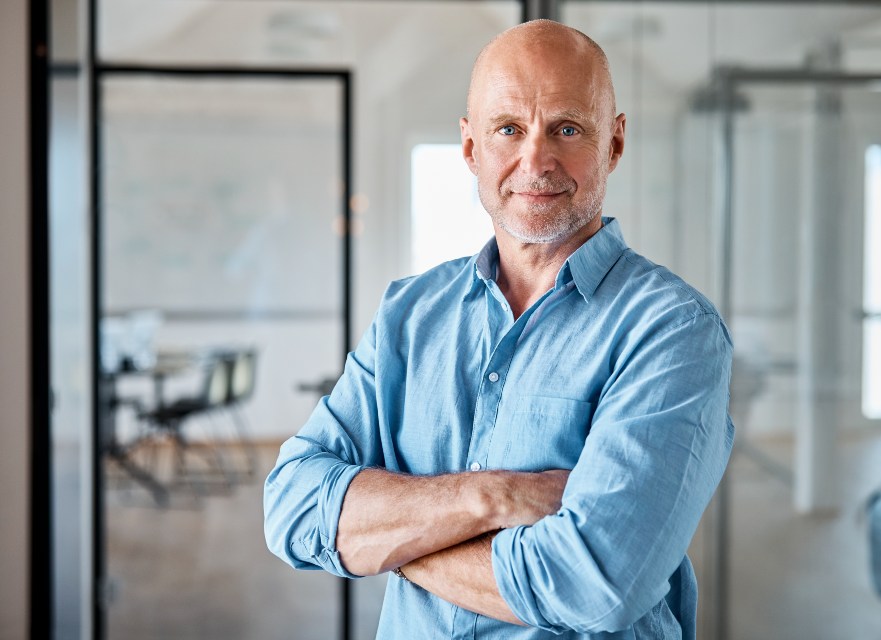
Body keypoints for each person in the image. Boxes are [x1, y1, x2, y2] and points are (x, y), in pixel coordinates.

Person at [264, 19, 734, 639]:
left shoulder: (673, 331)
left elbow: (593, 585)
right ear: (470, 148)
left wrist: (392, 539)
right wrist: (489, 498)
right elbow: (292, 507)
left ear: (614, 144)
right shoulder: (410, 314)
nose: (535, 159)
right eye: (508, 129)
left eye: (567, 128)